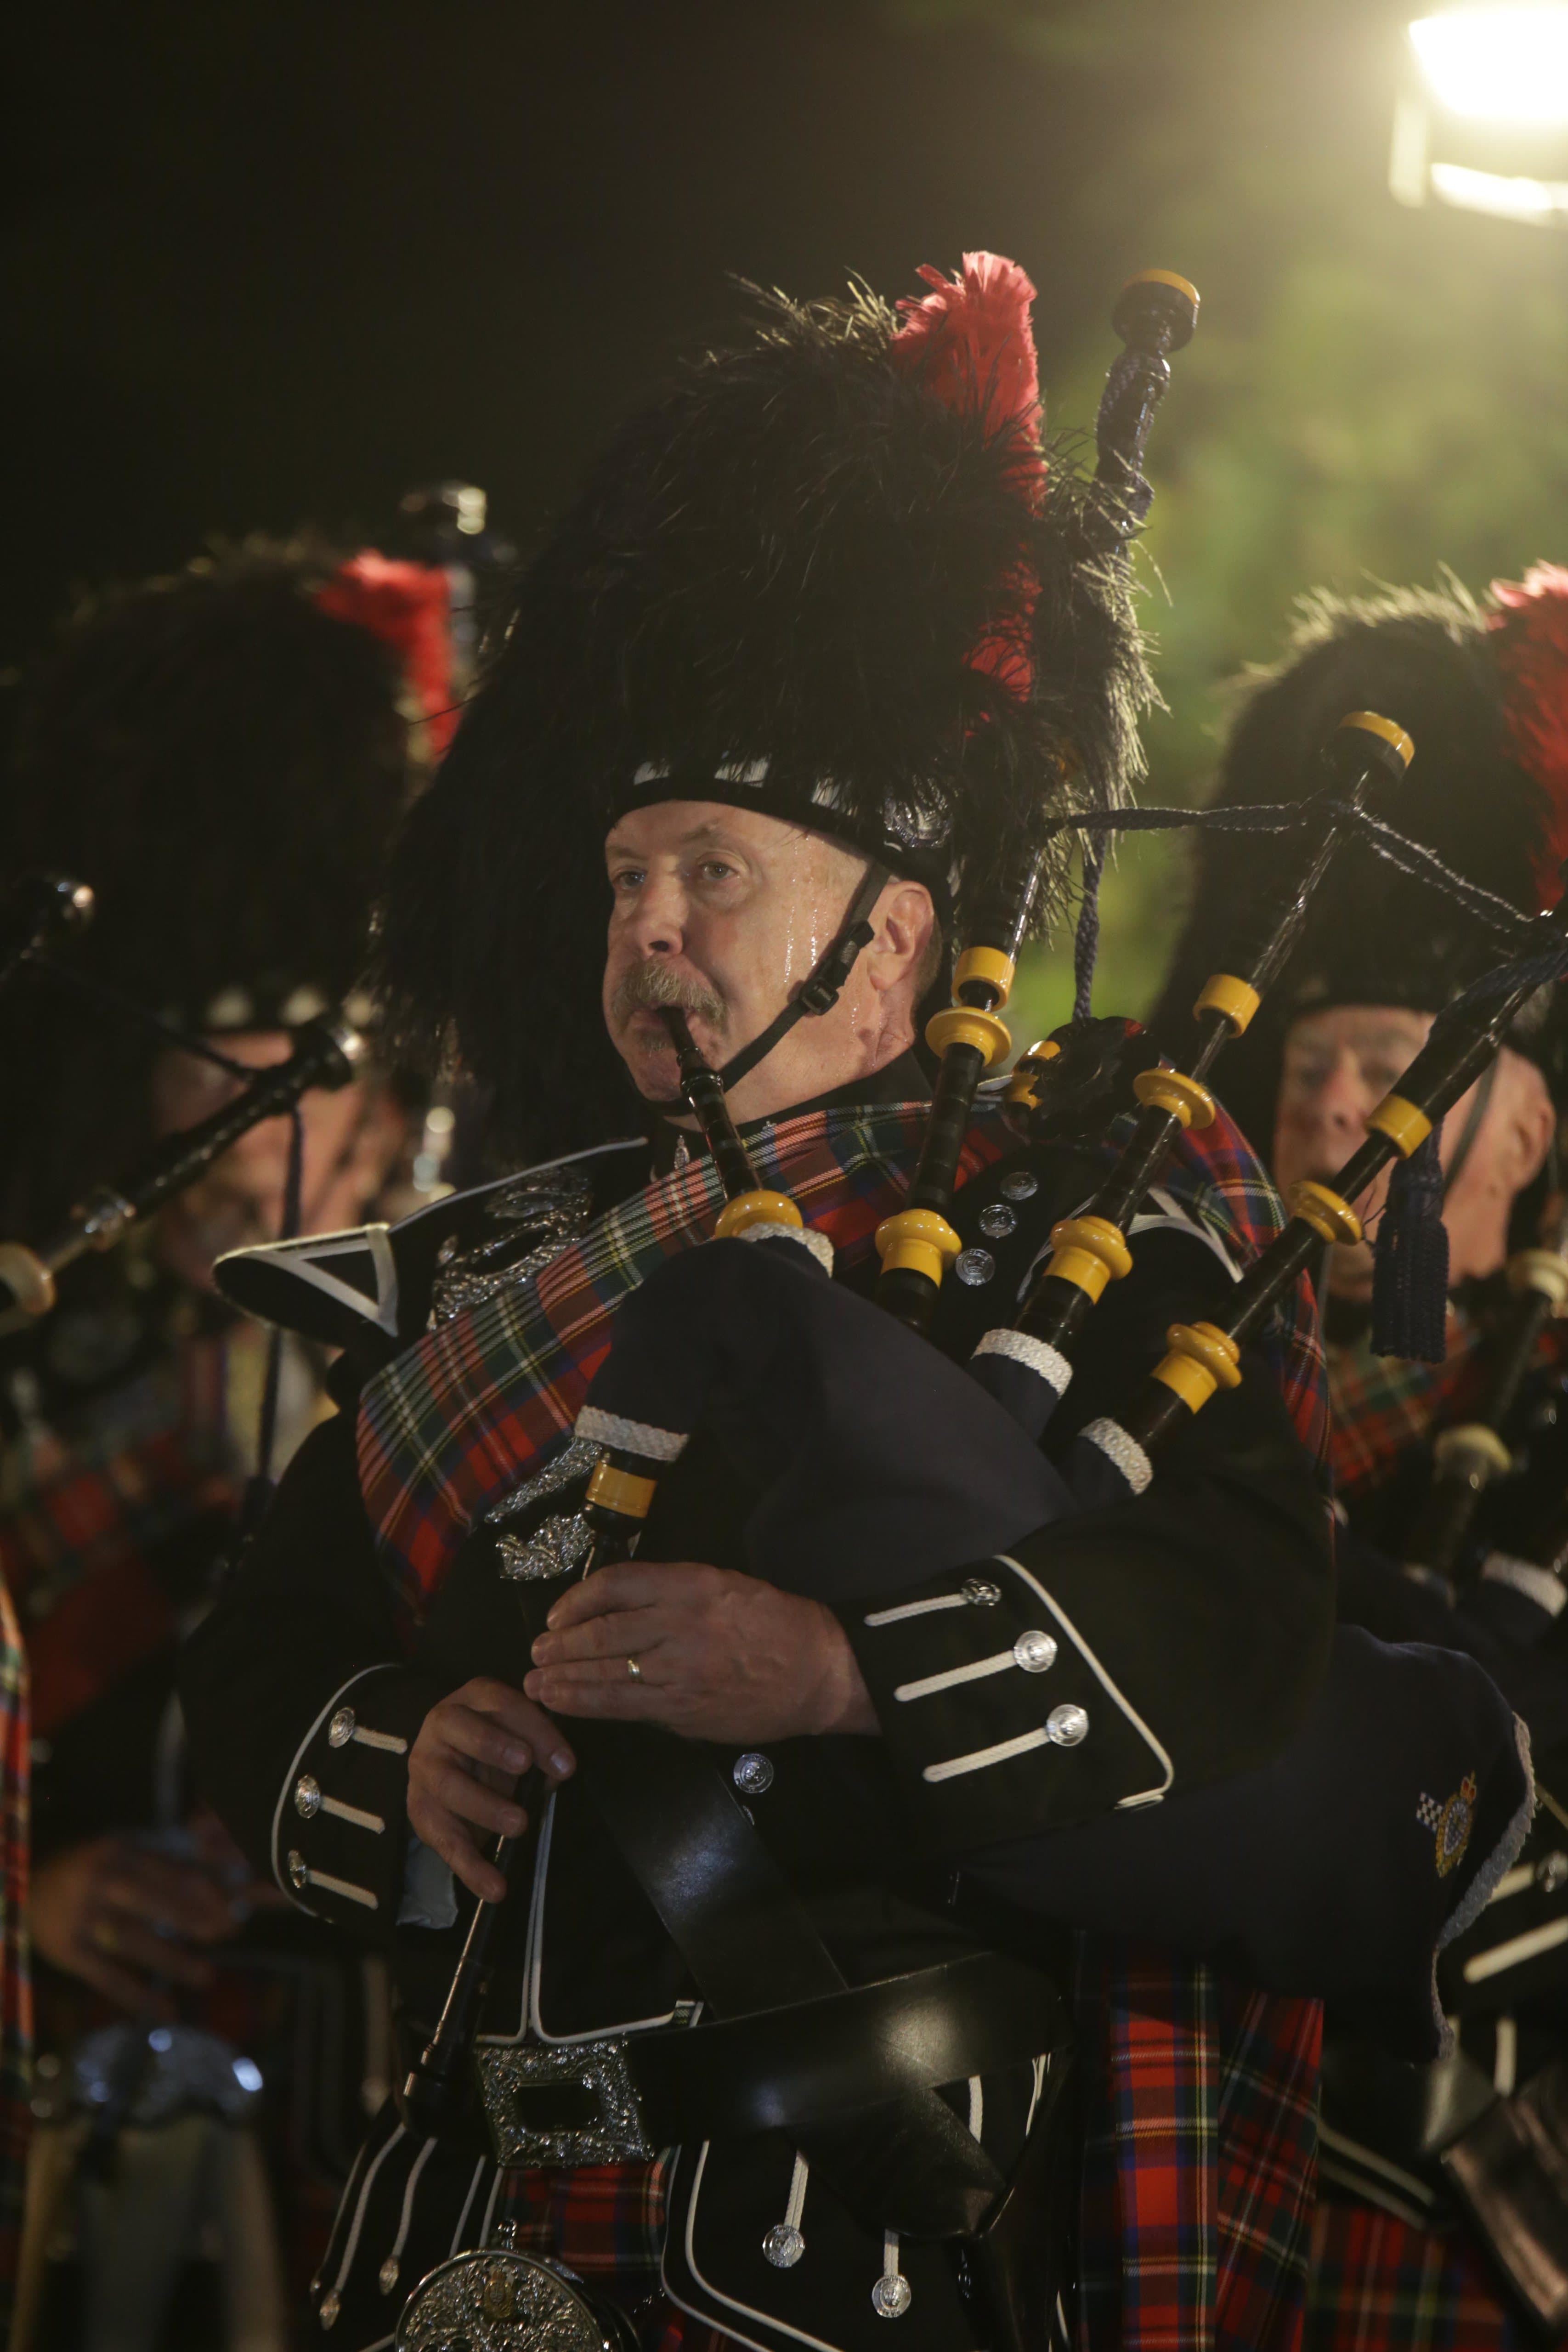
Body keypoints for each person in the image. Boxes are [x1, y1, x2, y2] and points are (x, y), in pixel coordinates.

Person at [183, 258, 1524, 2352]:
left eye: (712, 869)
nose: (647, 922)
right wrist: (389, 1749)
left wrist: (835, 1665)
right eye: (627, 874)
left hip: (848, 2251)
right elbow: (261, 1648)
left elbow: (1238, 1595)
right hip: (457, 2231)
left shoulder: (1069, 1237)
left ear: (891, 946)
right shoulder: (477, 1276)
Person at [0, 541, 453, 2346]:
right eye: (227, 1069)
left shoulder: (463, 1378)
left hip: (362, 2122)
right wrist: (36, 1891)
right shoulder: (39, 1371)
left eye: (317, 1074)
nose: (275, 1133)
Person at [1149, 570, 1568, 2349]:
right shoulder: (1176, 1379)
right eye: (1303, 1056)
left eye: (1391, 1059)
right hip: (1175, 2145)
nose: (1327, 1104)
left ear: (1530, 1122)